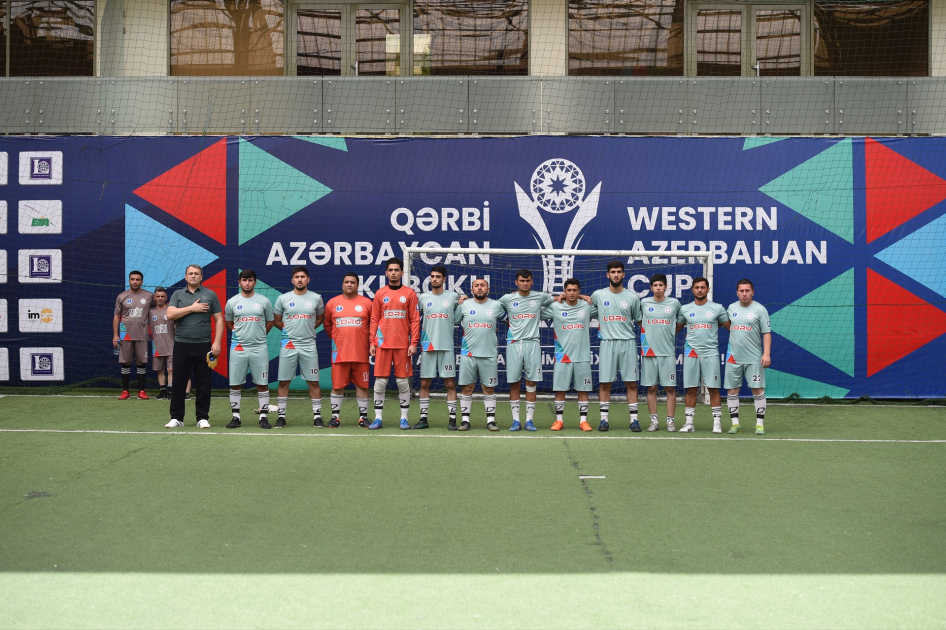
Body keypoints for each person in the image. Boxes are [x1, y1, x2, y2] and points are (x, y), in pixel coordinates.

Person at [165, 264, 223, 429]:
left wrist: (217, 342)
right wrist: (192, 308)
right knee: (178, 382)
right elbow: (170, 314)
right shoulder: (177, 294)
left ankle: (202, 418)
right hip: (181, 345)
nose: (193, 276)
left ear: (201, 277)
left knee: (204, 383)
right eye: (190, 273)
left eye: (196, 273)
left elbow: (219, 319)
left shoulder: (210, 294)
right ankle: (177, 418)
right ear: (185, 276)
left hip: (203, 345)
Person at [498, 269, 554, 432]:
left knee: (531, 383)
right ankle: (516, 421)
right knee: (515, 383)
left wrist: (580, 297)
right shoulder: (507, 298)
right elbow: (492, 307)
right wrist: (504, 318)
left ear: (532, 281)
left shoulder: (539, 296)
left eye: (527, 280)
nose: (525, 283)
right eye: (522, 281)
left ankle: (529, 420)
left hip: (533, 343)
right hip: (514, 344)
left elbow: (557, 299)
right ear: (516, 282)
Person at [368, 257, 420, 430]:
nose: (393, 273)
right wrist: (372, 342)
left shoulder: (409, 293)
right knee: (380, 383)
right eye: (390, 270)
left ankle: (404, 419)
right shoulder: (380, 293)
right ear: (386, 273)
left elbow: (415, 320)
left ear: (402, 273)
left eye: (396, 270)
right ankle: (378, 418)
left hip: (402, 345)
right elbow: (374, 319)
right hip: (382, 343)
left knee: (403, 383)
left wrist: (413, 342)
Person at [591, 261, 642, 432]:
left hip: (628, 343)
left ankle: (634, 420)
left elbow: (639, 320)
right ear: (608, 274)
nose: (616, 275)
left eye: (619, 272)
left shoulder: (632, 297)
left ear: (623, 274)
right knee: (605, 383)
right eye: (613, 272)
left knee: (631, 383)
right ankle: (603, 420)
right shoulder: (598, 295)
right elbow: (585, 306)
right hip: (607, 343)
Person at [541, 278, 598, 431]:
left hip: (582, 356)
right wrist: (555, 299)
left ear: (579, 291)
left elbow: (603, 310)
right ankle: (559, 421)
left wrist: (583, 298)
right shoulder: (556, 306)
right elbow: (536, 314)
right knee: (560, 389)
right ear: (564, 291)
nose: (572, 293)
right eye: (569, 290)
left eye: (575, 290)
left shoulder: (586, 306)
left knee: (583, 389)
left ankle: (583, 421)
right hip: (562, 355)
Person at [676, 277, 730, 433]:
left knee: (713, 389)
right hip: (691, 352)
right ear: (692, 289)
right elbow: (675, 329)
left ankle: (717, 423)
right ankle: (689, 423)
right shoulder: (685, 309)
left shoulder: (718, 308)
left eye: (703, 287)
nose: (700, 290)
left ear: (708, 289)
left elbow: (730, 327)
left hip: (711, 353)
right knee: (691, 389)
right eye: (697, 287)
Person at [273, 266, 325, 428]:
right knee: (284, 381)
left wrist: (308, 330)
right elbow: (276, 320)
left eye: (303, 277)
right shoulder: (283, 298)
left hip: (309, 344)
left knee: (313, 382)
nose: (300, 279)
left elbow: (320, 318)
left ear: (308, 280)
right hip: (288, 344)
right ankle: (281, 417)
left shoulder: (316, 298)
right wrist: (289, 333)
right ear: (292, 280)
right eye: (297, 277)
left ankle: (317, 417)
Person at [224, 270, 275, 429]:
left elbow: (270, 321)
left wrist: (260, 335)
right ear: (239, 282)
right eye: (244, 280)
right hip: (238, 348)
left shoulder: (264, 301)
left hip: (259, 348)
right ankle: (236, 417)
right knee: (235, 384)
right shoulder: (232, 302)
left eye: (250, 280)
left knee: (262, 383)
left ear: (255, 282)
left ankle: (263, 417)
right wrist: (239, 336)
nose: (247, 283)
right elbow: (228, 322)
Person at [454, 278, 506, 431]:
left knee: (488, 389)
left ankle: (491, 422)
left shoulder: (496, 305)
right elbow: (454, 320)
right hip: (468, 353)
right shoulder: (464, 305)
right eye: (476, 286)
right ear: (472, 290)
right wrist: (458, 302)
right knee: (467, 388)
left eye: (482, 285)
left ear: (488, 289)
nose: (479, 288)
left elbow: (510, 320)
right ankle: (465, 421)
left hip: (489, 354)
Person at [323, 272, 373, 428]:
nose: (349, 284)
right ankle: (335, 418)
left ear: (358, 285)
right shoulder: (332, 303)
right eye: (346, 282)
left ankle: (363, 418)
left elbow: (374, 325)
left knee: (362, 386)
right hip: (339, 353)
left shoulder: (367, 303)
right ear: (342, 285)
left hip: (361, 353)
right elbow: (328, 325)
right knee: (337, 386)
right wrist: (338, 339)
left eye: (352, 282)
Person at [724, 279, 772, 435]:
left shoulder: (760, 309)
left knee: (757, 390)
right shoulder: (731, 308)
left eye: (747, 291)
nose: (744, 294)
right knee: (732, 390)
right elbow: (727, 326)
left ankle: (759, 425)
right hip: (733, 357)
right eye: (741, 291)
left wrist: (766, 353)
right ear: (737, 293)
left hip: (754, 358)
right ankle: (735, 424)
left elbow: (766, 333)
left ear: (753, 292)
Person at [417, 265, 460, 430]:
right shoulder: (423, 298)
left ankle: (452, 420)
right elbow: (414, 319)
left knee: (450, 384)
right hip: (427, 345)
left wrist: (463, 300)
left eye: (438, 277)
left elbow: (462, 313)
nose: (434, 279)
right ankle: (423, 419)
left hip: (446, 346)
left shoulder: (453, 297)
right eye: (432, 276)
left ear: (444, 279)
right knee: (424, 384)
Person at [639, 274, 682, 432]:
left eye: (661, 285)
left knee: (670, 388)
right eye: (655, 285)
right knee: (651, 388)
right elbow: (638, 319)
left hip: (667, 352)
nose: (658, 288)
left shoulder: (674, 303)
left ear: (666, 287)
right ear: (651, 287)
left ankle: (670, 422)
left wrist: (670, 332)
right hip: (648, 352)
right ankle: (654, 421)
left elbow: (681, 321)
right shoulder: (644, 303)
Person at [113, 270, 153, 400]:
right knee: (126, 362)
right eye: (132, 279)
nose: (135, 282)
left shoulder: (149, 296)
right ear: (129, 281)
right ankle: (125, 391)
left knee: (141, 362)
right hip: (125, 335)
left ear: (142, 282)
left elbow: (159, 307)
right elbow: (116, 316)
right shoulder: (121, 296)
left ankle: (141, 391)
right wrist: (115, 335)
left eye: (137, 279)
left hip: (142, 334)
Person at [149, 287, 174, 400]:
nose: (160, 298)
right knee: (160, 369)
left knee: (171, 369)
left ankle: (171, 391)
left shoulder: (171, 310)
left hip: (171, 344)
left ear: (166, 298)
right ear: (154, 298)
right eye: (158, 296)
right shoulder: (150, 312)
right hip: (157, 345)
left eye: (162, 296)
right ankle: (162, 391)